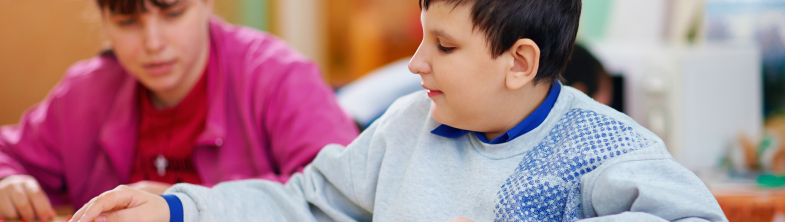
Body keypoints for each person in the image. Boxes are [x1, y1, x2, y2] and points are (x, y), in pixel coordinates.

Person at [70, 0, 727, 221]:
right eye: (421, 37)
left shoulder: (601, 146)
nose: (416, 63)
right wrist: (180, 207)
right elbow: (304, 203)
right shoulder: (410, 125)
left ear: (518, 62)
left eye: (442, 46)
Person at [0, 0, 359, 221]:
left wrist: (183, 207)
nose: (153, 43)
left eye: (172, 13)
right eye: (128, 23)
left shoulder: (280, 78)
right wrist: (7, 182)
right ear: (103, 19)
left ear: (206, 3)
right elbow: (6, 153)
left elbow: (345, 197)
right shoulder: (84, 94)